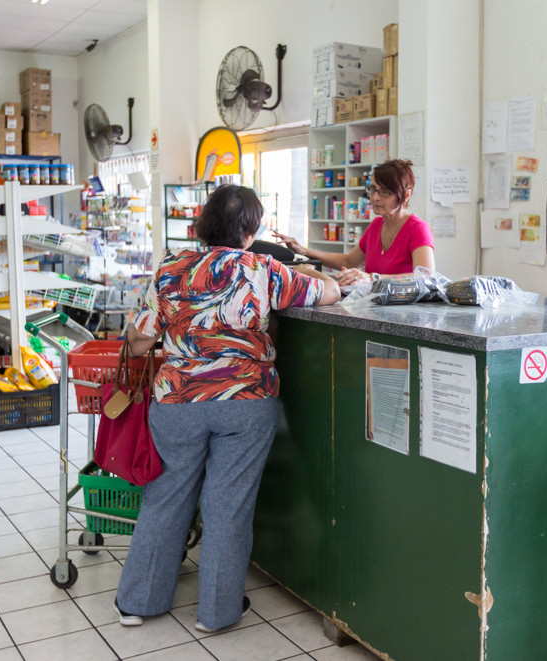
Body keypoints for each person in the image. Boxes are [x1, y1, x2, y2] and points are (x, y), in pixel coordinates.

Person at [114, 184, 340, 633]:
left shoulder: (171, 267)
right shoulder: (263, 269)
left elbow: (138, 343)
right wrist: (317, 273)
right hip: (245, 401)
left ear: (201, 226)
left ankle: (137, 602)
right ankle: (217, 613)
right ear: (251, 232)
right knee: (227, 507)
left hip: (178, 402)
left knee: (164, 498)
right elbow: (329, 292)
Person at [274, 158, 435, 285]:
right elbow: (349, 261)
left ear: (406, 195)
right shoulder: (376, 226)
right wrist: (304, 251)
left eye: (385, 192)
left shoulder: (417, 228)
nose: (375, 197)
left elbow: (425, 277)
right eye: (373, 189)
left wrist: (372, 278)